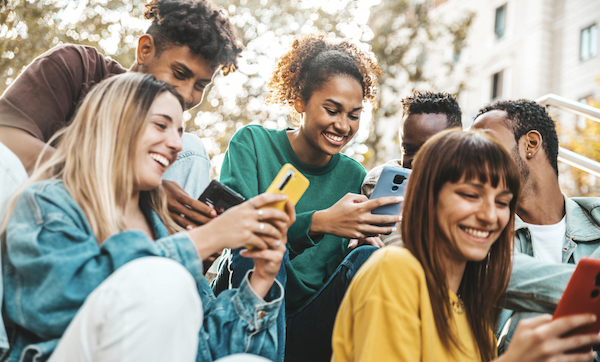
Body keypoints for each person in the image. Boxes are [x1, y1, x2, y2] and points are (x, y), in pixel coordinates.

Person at [1, 73, 295, 362]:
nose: (177, 144)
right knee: (161, 276)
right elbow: (58, 305)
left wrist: (260, 279)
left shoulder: (164, 231)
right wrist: (206, 238)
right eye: (161, 125)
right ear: (113, 125)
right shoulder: (47, 202)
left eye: (179, 131)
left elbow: (205, 348)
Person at [332, 129, 600, 362]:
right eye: (471, 195)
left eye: (502, 202)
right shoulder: (395, 270)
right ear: (427, 199)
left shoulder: (475, 317)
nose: (489, 215)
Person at [217, 33, 400, 361]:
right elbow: (235, 230)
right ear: (299, 101)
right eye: (332, 110)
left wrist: (362, 245)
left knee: (370, 261)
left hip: (308, 325)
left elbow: (337, 271)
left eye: (354, 115)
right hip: (246, 315)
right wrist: (321, 222)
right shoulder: (253, 145)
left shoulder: (353, 177)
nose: (343, 125)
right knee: (263, 244)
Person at [0, 0, 244, 228]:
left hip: (118, 245)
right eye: (179, 73)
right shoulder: (78, 67)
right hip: (36, 222)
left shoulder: (174, 145)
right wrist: (141, 192)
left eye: (200, 85)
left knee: (191, 149)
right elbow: (6, 138)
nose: (187, 95)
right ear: (145, 50)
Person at [471, 99, 600, 356]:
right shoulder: (479, 231)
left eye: (485, 143)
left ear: (530, 144)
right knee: (532, 317)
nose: (472, 157)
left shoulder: (595, 218)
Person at [361, 90, 462, 246]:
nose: (415, 161)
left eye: (428, 151)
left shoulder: (473, 189)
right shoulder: (383, 182)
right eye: (408, 150)